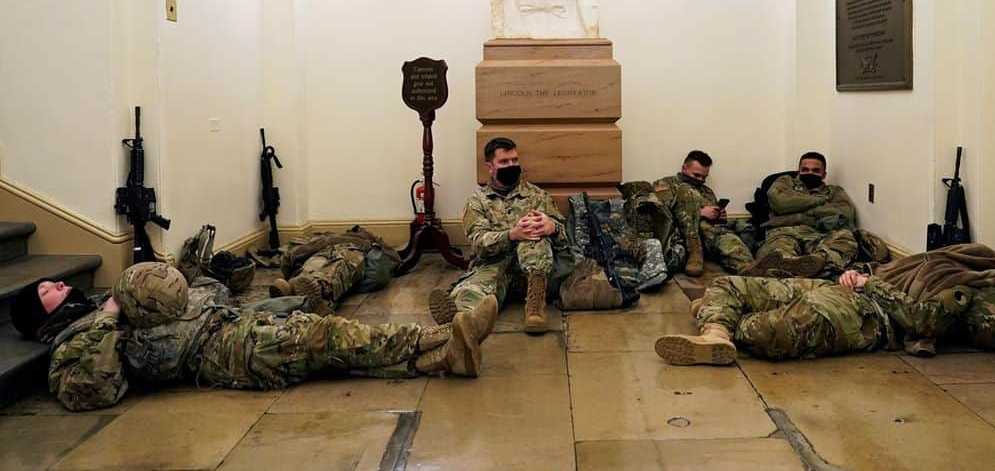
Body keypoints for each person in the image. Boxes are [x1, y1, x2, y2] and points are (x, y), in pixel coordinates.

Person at [9, 263, 498, 412]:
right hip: (222, 352)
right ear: (41, 316)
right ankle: (433, 340)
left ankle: (440, 353)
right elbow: (90, 390)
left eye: (53, 281)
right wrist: (108, 318)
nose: (57, 283)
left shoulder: (98, 305)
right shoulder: (74, 338)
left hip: (227, 323)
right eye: (46, 290)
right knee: (324, 338)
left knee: (329, 342)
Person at [654, 269, 974, 365]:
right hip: (828, 288)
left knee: (769, 333)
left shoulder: (962, 291)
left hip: (857, 314)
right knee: (727, 284)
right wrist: (857, 276)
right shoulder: (933, 263)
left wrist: (870, 284)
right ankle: (715, 333)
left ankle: (718, 318)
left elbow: (923, 322)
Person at [428, 137, 574, 334]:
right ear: (490, 167)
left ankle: (535, 309)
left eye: (514, 160)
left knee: (533, 234)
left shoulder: (537, 196)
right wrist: (511, 234)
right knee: (470, 292)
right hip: (494, 266)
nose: (511, 165)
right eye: (504, 162)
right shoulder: (477, 202)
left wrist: (552, 227)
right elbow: (478, 243)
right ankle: (461, 321)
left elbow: (564, 236)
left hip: (535, 273)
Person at [750, 151, 858, 277]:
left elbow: (846, 212)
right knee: (777, 254)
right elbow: (781, 203)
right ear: (799, 171)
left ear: (824, 174)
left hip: (819, 234)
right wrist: (821, 202)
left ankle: (816, 264)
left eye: (815, 170)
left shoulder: (834, 191)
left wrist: (801, 212)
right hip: (784, 231)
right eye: (805, 169)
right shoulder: (785, 182)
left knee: (846, 239)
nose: (810, 173)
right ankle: (816, 270)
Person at [652, 151, 753, 277]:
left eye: (704, 177)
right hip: (679, 235)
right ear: (684, 168)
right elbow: (661, 215)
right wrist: (699, 213)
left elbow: (714, 224)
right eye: (696, 175)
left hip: (707, 236)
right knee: (687, 193)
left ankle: (748, 266)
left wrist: (719, 216)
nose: (700, 180)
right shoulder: (665, 185)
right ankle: (694, 252)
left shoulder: (707, 192)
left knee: (724, 235)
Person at [268, 225, 401, 316]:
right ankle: (310, 292)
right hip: (331, 251)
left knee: (337, 265)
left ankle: (307, 291)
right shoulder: (332, 237)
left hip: (345, 252)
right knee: (325, 264)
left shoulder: (366, 244)